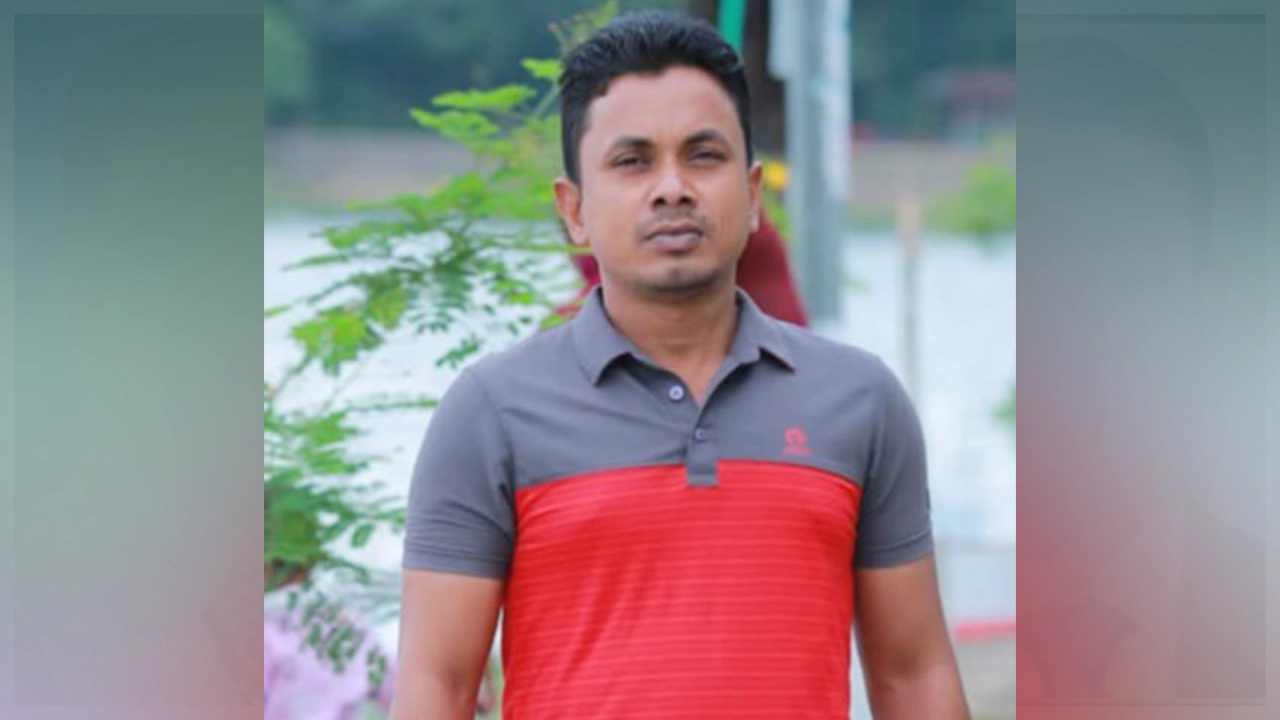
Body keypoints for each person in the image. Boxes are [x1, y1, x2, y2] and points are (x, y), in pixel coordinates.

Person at [393, 11, 968, 719]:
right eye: (632, 162)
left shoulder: (860, 399)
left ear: (752, 195)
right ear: (573, 210)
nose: (672, 188)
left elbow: (914, 676)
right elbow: (436, 685)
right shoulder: (491, 410)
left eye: (703, 155)